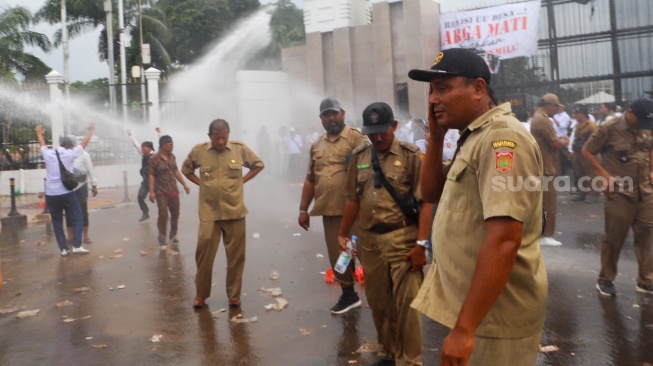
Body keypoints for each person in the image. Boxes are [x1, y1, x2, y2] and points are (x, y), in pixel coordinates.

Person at [408, 48, 548, 365]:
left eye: (443, 89)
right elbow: (430, 193)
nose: (432, 100)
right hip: (480, 311)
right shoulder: (473, 137)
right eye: (431, 91)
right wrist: (436, 138)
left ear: (478, 89)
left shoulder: (503, 140)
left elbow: (505, 239)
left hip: (495, 319)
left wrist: (464, 330)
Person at [338, 102, 428, 366]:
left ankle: (410, 360)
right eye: (371, 132)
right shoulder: (359, 157)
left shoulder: (411, 156)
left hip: (403, 239)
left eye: (382, 131)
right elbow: (353, 199)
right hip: (370, 242)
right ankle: (388, 354)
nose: (377, 137)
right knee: (379, 303)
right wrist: (343, 233)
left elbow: (426, 203)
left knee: (408, 306)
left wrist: (422, 244)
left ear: (394, 127)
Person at [181, 119, 264, 309]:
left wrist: (242, 181)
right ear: (210, 136)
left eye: (224, 138)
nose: (220, 142)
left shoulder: (239, 149)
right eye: (217, 138)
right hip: (209, 212)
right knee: (204, 256)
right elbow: (186, 169)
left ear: (228, 135)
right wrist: (200, 184)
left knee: (236, 257)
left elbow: (258, 164)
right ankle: (201, 295)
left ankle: (234, 296)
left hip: (234, 211)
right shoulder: (199, 151)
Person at [298, 96, 367, 314]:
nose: (331, 118)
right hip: (329, 212)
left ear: (343, 113)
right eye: (326, 115)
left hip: (356, 211)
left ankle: (383, 297)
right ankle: (349, 295)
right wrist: (303, 209)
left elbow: (369, 170)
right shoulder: (316, 145)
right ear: (321, 119)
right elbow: (310, 178)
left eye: (334, 113)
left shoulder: (356, 139)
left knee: (365, 253)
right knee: (340, 256)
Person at [581, 97, 653, 297]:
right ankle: (605, 279)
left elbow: (650, 148)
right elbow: (587, 151)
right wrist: (604, 175)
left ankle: (646, 280)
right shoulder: (609, 127)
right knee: (615, 237)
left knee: (646, 235)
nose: (644, 126)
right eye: (640, 120)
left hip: (645, 191)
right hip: (620, 191)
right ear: (630, 112)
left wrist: (651, 170)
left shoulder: (648, 125)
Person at [36, 122, 96, 256]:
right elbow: (84, 144)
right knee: (78, 216)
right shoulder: (70, 154)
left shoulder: (49, 153)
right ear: (70, 145)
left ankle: (63, 249)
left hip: (51, 194)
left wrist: (39, 134)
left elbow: (42, 144)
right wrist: (90, 131)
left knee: (57, 221)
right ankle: (77, 246)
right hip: (66, 192)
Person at [530, 93, 570, 246]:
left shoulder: (538, 117)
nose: (557, 110)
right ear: (551, 105)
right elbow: (554, 144)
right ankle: (546, 235)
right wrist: (564, 142)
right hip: (546, 167)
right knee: (549, 202)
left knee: (542, 202)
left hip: (542, 166)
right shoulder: (543, 120)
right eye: (556, 107)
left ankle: (542, 233)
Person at [149, 135, 191, 250]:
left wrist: (185, 185)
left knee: (175, 214)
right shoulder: (154, 159)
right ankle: (162, 237)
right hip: (161, 191)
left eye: (172, 144)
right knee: (163, 214)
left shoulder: (172, 157)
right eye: (170, 144)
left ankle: (173, 235)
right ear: (163, 145)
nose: (172, 147)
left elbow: (176, 171)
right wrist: (151, 191)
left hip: (173, 190)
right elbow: (151, 175)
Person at [65, 148, 98, 245]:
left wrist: (94, 185)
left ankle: (86, 236)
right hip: (68, 187)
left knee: (83, 211)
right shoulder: (65, 154)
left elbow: (90, 169)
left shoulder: (84, 154)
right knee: (68, 212)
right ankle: (70, 237)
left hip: (81, 187)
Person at [569, 105, 600, 203]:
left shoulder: (591, 125)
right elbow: (575, 139)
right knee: (580, 173)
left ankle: (593, 194)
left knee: (591, 174)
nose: (574, 116)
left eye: (576, 114)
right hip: (578, 153)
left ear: (582, 114)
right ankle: (582, 193)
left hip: (588, 152)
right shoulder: (578, 125)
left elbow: (596, 139)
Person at [128, 128, 159, 222]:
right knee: (140, 197)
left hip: (156, 182)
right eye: (142, 147)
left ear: (150, 148)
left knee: (161, 199)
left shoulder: (155, 156)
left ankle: (165, 212)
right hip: (145, 182)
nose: (143, 148)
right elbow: (135, 143)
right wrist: (130, 134)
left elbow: (162, 145)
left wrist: (159, 133)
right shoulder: (143, 154)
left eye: (145, 146)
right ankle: (145, 213)